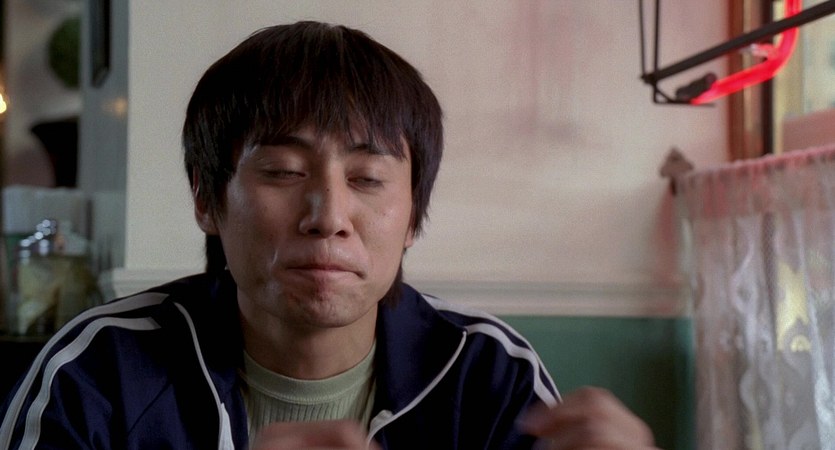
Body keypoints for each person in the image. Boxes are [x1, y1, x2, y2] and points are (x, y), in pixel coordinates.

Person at [1, 21, 656, 449]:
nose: (329, 215)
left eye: (368, 178)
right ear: (206, 198)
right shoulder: (97, 371)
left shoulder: (487, 375)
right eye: (283, 171)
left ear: (413, 215)